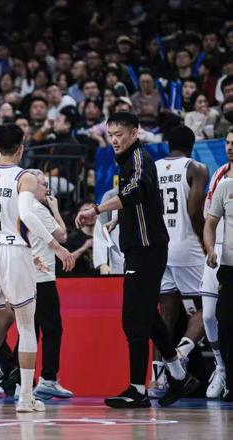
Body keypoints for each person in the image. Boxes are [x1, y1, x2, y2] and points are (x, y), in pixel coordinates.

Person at [76, 112, 199, 408]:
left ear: (135, 133)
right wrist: (119, 218)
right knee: (148, 316)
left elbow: (136, 191)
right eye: (111, 134)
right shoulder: (126, 160)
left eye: (119, 134)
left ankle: (137, 389)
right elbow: (142, 200)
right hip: (138, 247)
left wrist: (98, 209)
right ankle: (179, 375)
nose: (114, 140)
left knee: (134, 320)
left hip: (147, 248)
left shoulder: (140, 158)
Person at [0, 123, 74, 415]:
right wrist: (55, 246)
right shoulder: (25, 177)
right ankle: (26, 397)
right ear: (21, 148)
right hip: (14, 250)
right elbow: (28, 214)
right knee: (26, 325)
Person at [148, 125, 208, 399]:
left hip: (160, 247)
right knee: (206, 307)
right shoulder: (196, 168)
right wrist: (206, 241)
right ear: (192, 145)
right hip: (187, 246)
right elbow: (194, 212)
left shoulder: (153, 168)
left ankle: (157, 379)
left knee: (166, 315)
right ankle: (181, 354)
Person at [24, 169, 74, 400]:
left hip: (24, 276)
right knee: (52, 329)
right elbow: (62, 236)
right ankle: (48, 379)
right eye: (43, 184)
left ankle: (22, 382)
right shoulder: (38, 208)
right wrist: (55, 209)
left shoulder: (18, 207)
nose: (47, 189)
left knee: (29, 330)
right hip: (42, 278)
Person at [203, 127, 233, 402]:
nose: (230, 147)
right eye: (227, 142)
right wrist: (210, 248)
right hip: (224, 259)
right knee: (212, 316)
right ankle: (223, 371)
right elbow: (209, 219)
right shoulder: (221, 178)